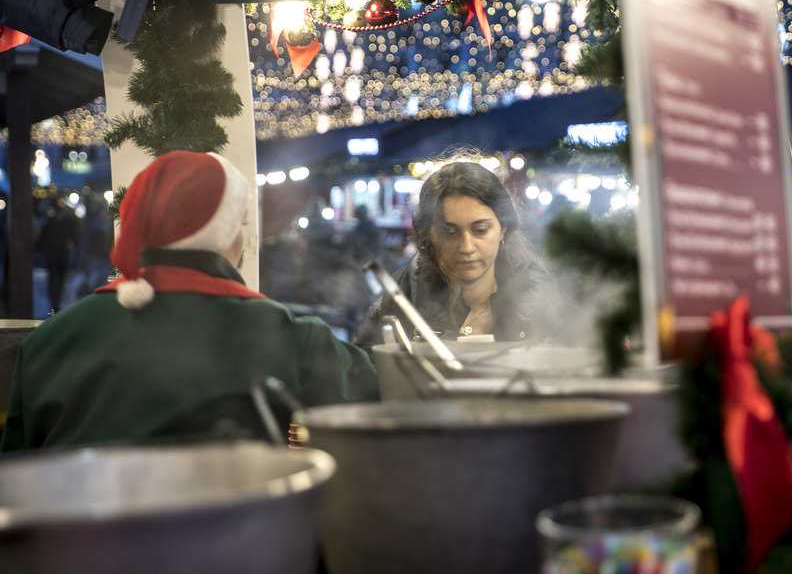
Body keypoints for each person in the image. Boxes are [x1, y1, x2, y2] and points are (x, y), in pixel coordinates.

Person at [2, 151, 379, 453]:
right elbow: (388, 396)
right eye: (240, 222)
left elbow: (15, 479)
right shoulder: (288, 334)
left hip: (75, 547)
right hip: (240, 545)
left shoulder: (49, 341)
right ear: (224, 235)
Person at [353, 159, 558, 348]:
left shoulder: (538, 298)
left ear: (502, 228)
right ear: (428, 234)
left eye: (480, 231)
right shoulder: (404, 294)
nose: (466, 247)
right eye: (449, 233)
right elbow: (361, 372)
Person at [36, 194, 79, 312]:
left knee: (59, 279)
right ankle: (54, 303)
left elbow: (74, 236)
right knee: (54, 279)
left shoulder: (64, 219)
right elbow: (44, 236)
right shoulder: (53, 219)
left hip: (60, 254)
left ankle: (56, 303)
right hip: (54, 254)